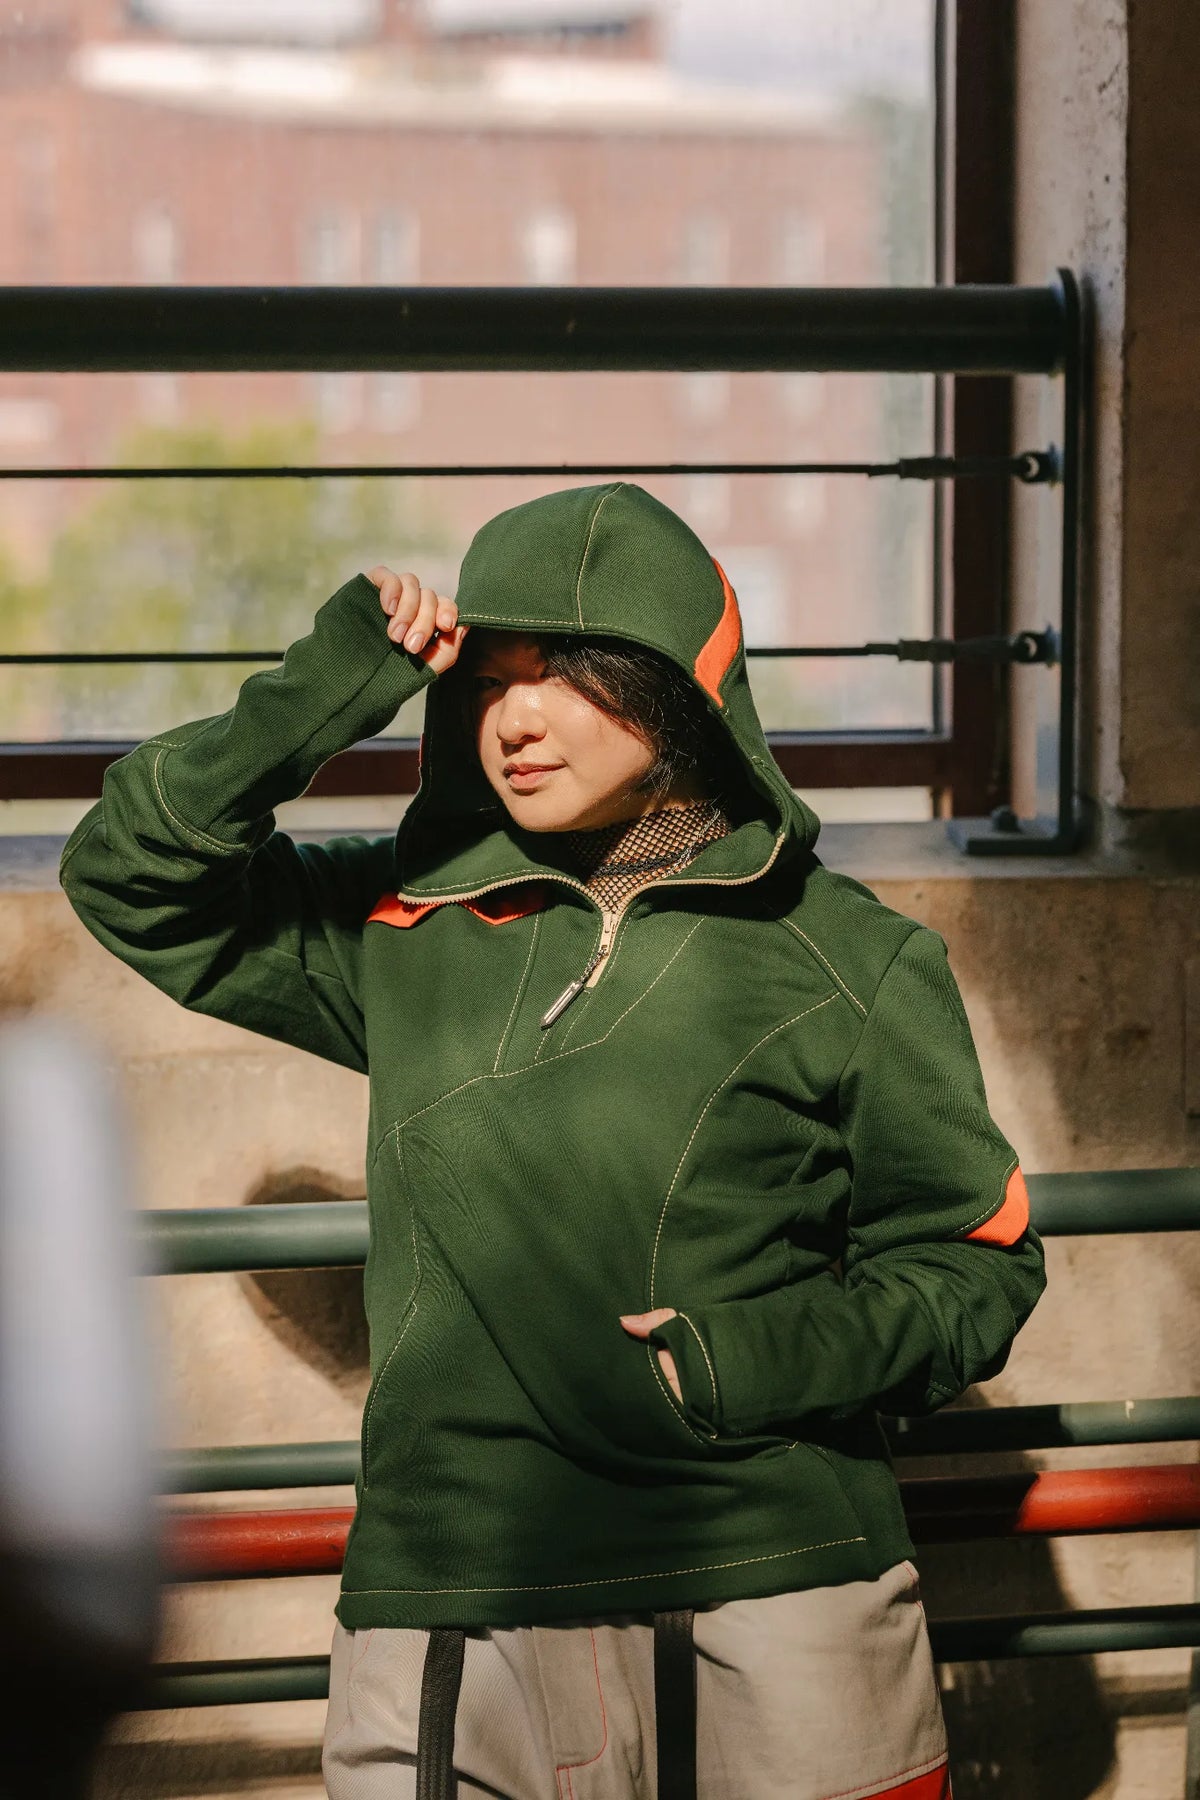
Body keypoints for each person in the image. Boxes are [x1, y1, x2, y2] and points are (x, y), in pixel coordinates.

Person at [59, 482, 1046, 1800]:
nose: (513, 719)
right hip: (454, 1588)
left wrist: (748, 1362)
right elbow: (128, 874)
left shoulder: (850, 958)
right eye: (488, 682)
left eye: (563, 677)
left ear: (678, 692)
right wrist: (333, 684)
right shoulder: (402, 926)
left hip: (779, 1579)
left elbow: (975, 1264)